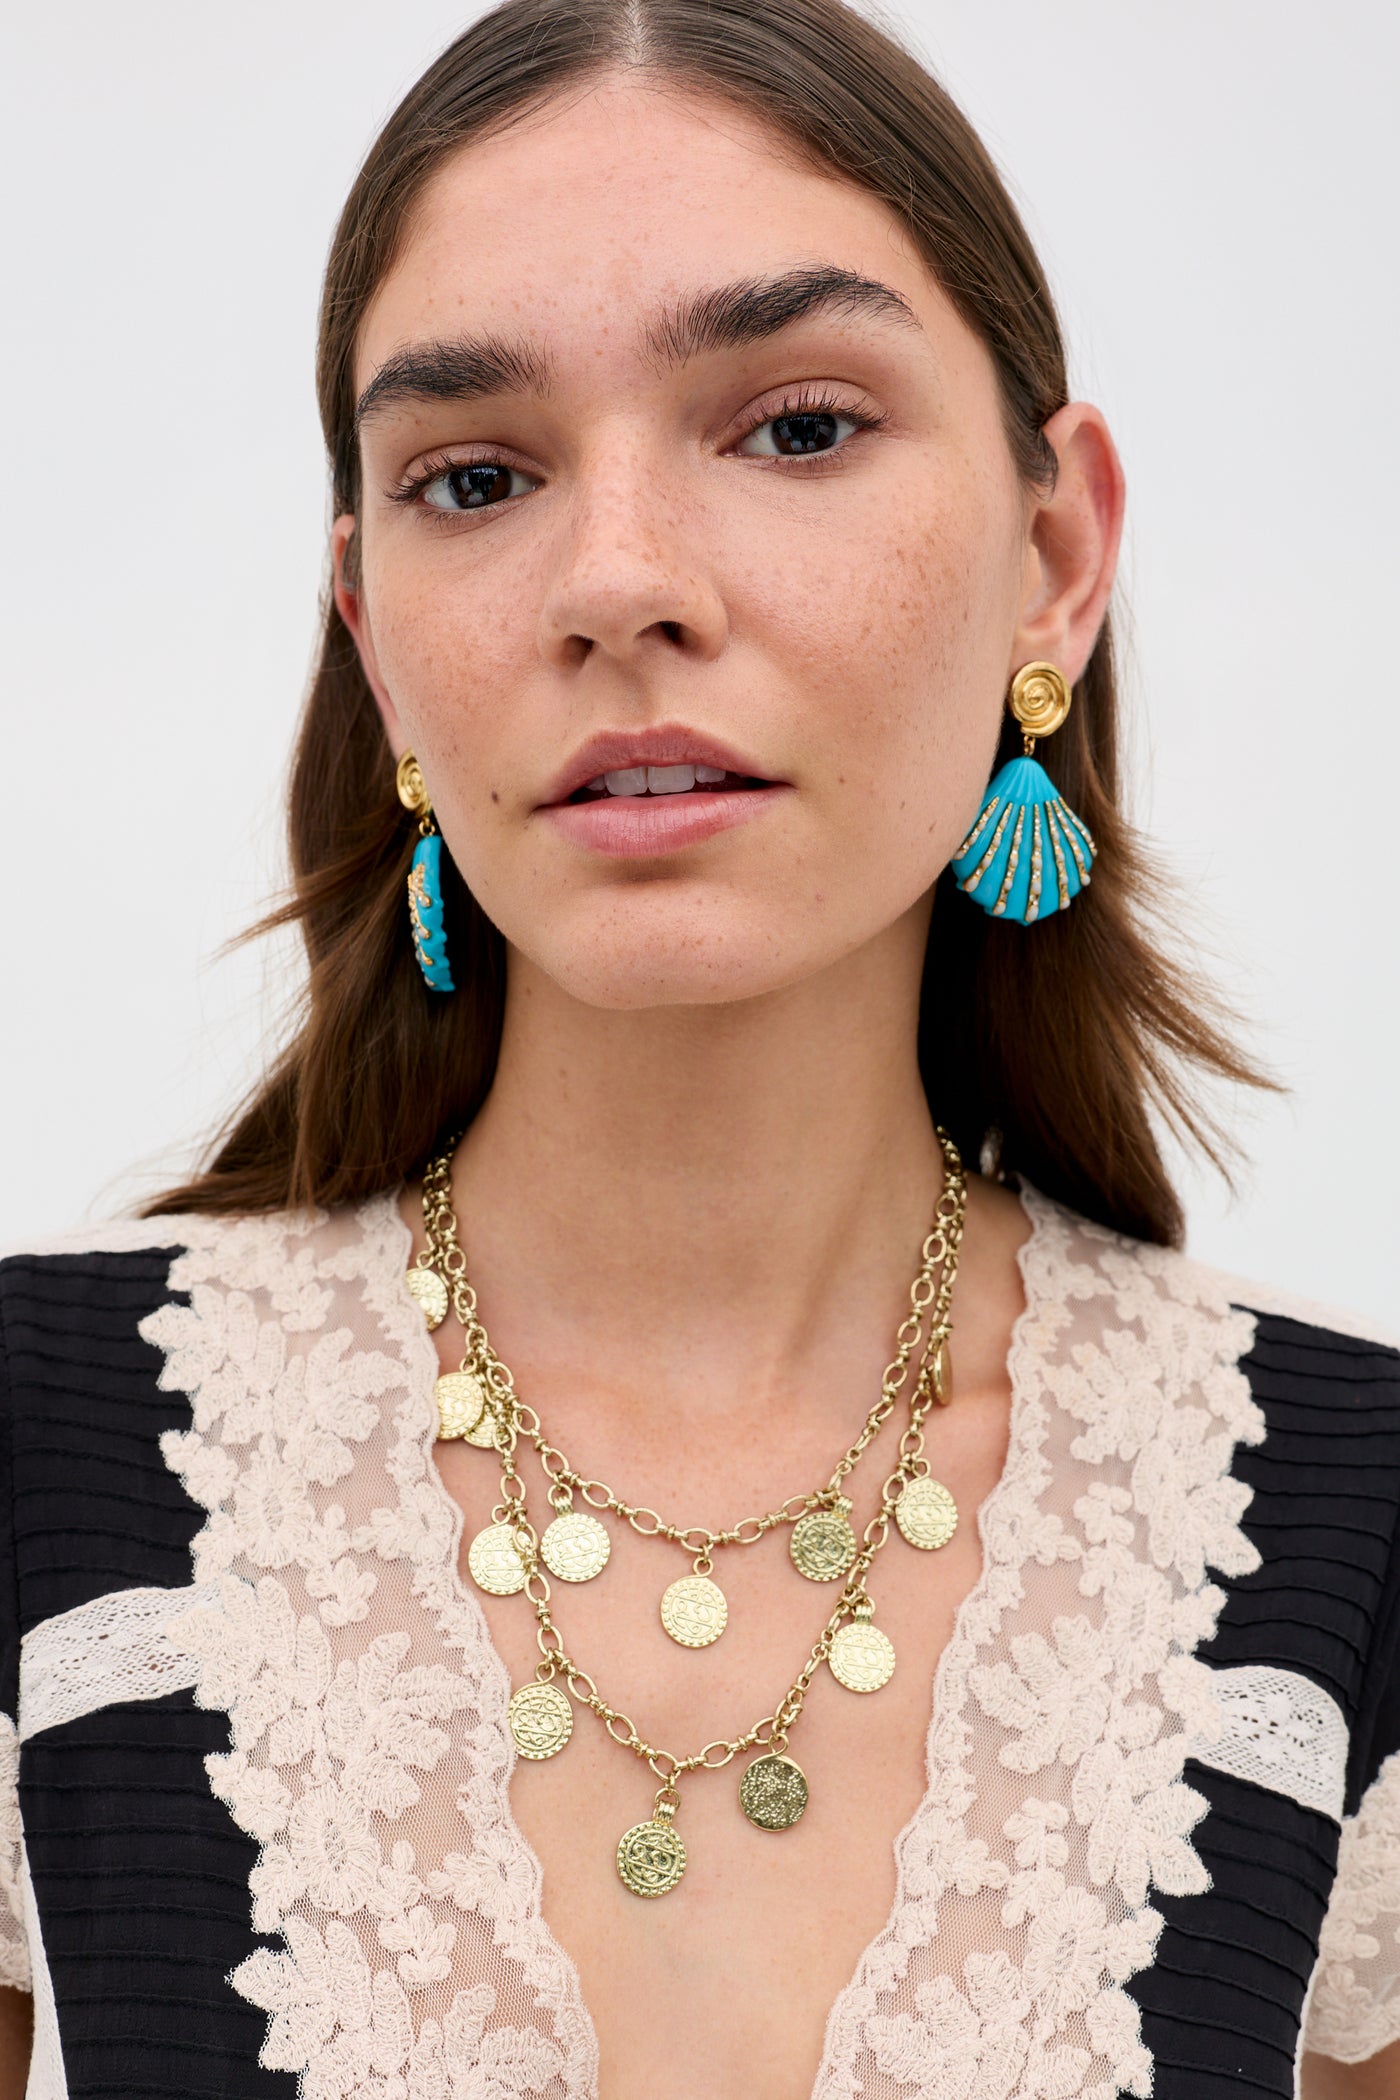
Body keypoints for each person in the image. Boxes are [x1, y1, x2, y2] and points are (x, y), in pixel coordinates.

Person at [1, 2, 1396, 2094]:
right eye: (474, 476)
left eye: (798, 427)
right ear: (372, 630)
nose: (619, 583)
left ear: (1057, 555)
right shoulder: (40, 1461)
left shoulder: (1352, 1515)